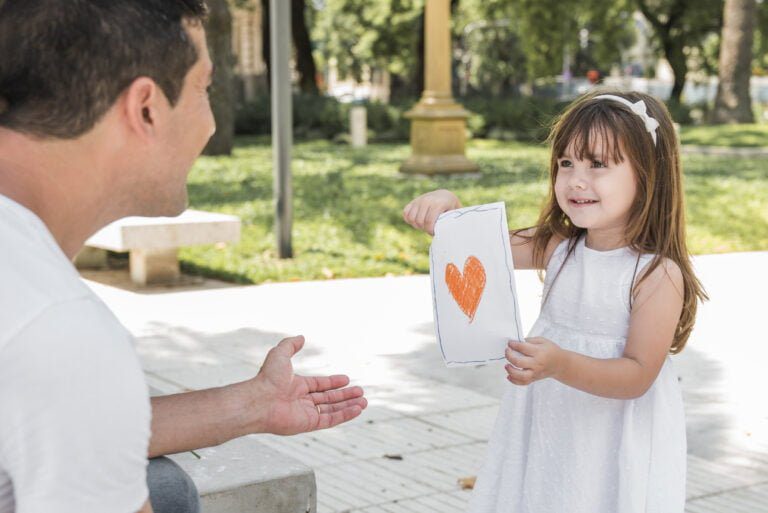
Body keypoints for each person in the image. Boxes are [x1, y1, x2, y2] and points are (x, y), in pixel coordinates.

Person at [0, 2, 367, 512]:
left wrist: (254, 403)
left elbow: (74, 415)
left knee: (168, 490)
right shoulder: (59, 330)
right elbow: (68, 384)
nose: (211, 124)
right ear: (146, 108)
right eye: (204, 88)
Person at [403, 90, 707, 512]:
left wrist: (560, 364)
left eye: (597, 164)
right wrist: (448, 208)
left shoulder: (656, 275)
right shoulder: (558, 245)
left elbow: (637, 375)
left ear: (648, 173)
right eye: (566, 163)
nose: (576, 179)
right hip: (551, 419)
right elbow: (476, 245)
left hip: (612, 433)